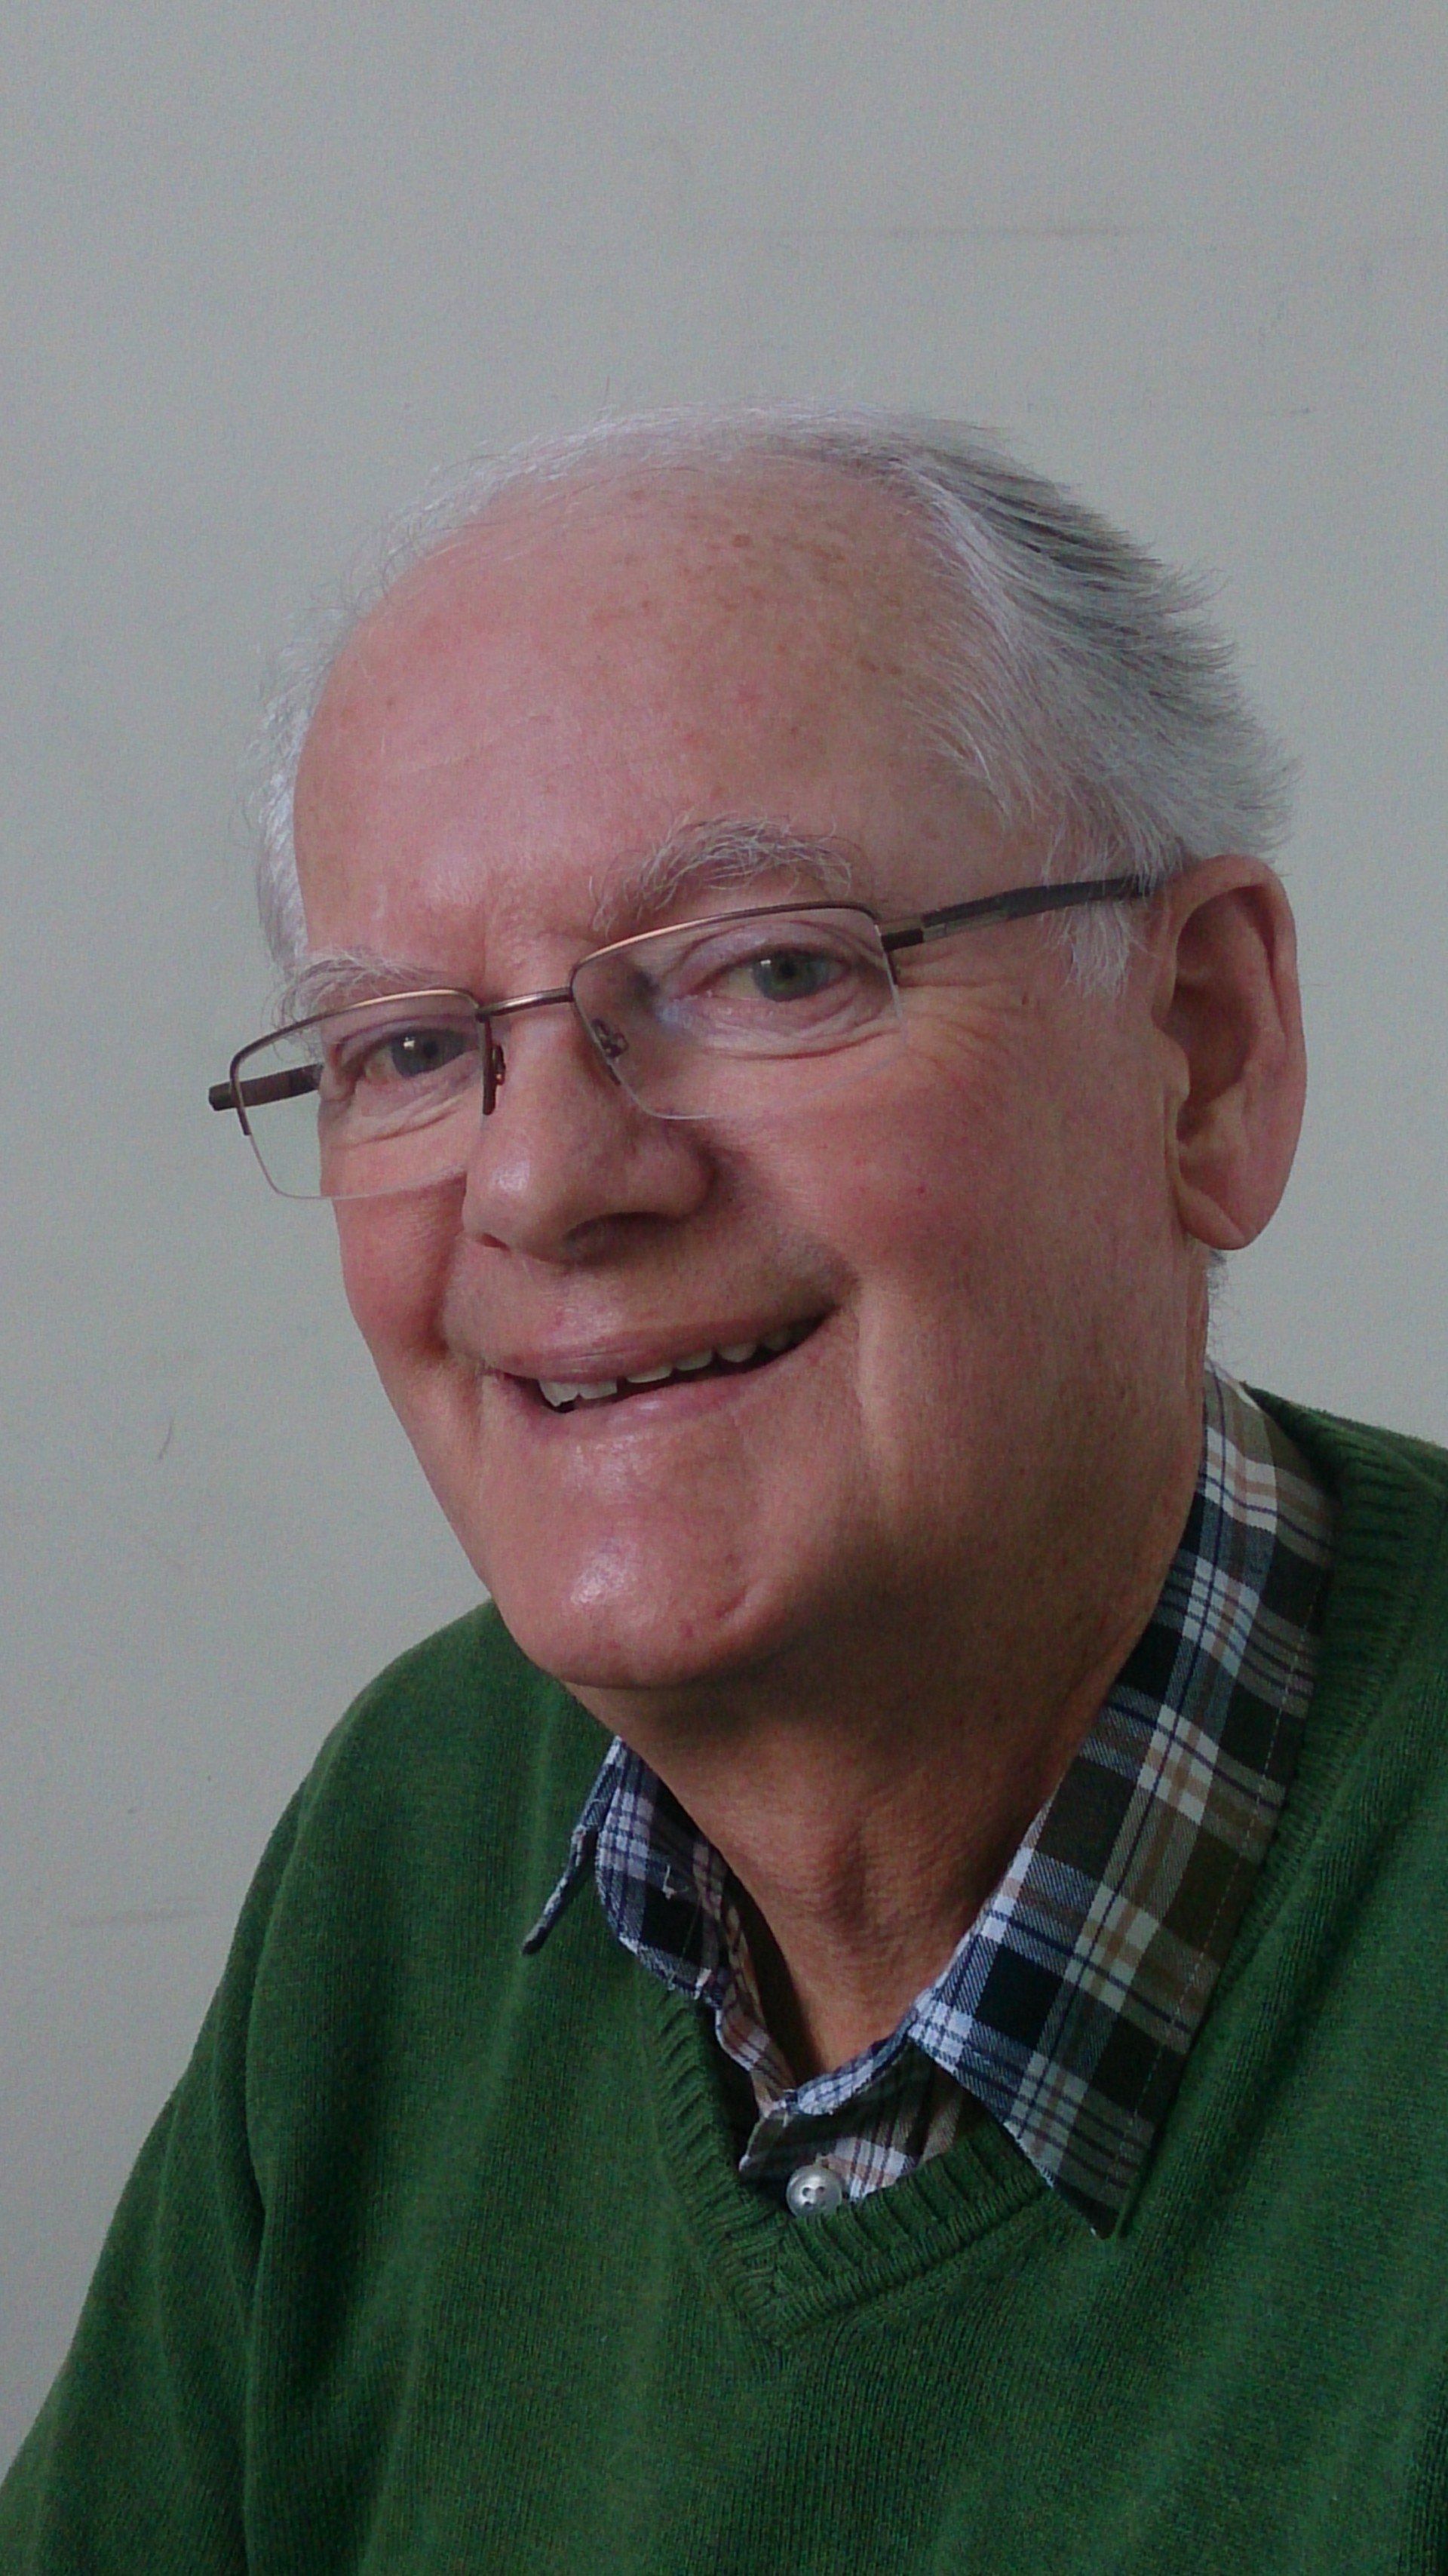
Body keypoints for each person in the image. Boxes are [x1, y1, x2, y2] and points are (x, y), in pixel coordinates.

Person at [3, 407, 1446, 2574]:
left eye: (770, 967)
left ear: (1204, 1051)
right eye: (410, 1048)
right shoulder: (419, 1831)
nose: (543, 1181)